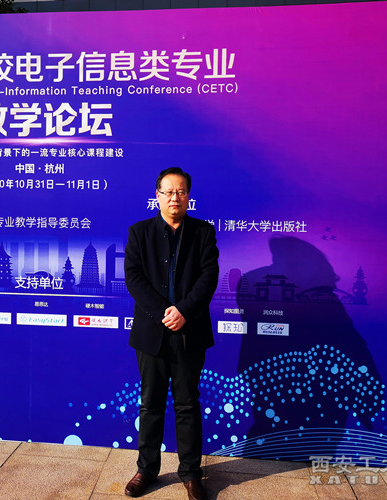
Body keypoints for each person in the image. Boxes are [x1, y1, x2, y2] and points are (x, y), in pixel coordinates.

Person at [123, 167, 219, 500]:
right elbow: (134, 278)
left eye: (181, 191)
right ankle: (146, 470)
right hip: (152, 333)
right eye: (168, 191)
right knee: (150, 404)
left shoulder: (203, 232)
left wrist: (184, 311)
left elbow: (208, 278)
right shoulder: (139, 232)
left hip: (190, 332)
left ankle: (191, 474)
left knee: (187, 404)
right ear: (157, 196)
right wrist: (165, 312)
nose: (174, 197)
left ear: (188, 196)